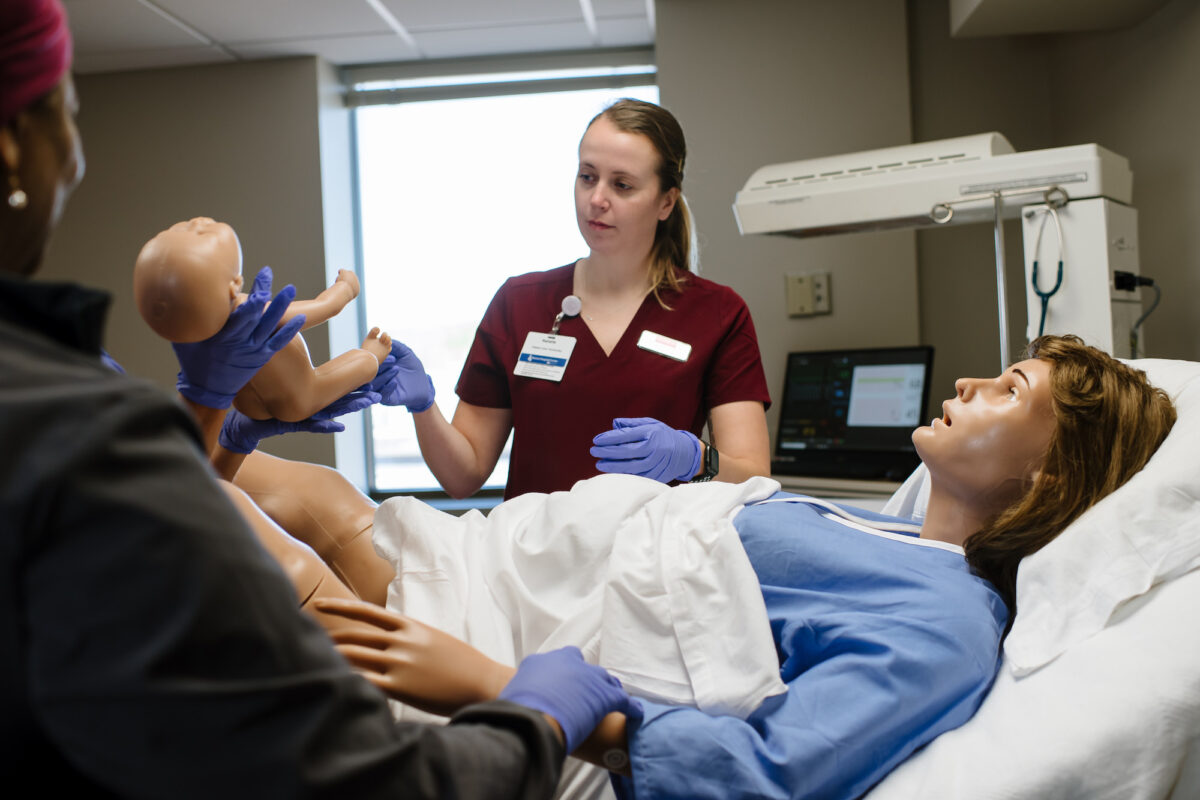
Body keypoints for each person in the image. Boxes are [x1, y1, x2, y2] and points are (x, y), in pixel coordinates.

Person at [0, 0, 639, 795]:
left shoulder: (57, 390)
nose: (77, 154)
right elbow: (369, 777)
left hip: (438, 560)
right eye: (69, 108)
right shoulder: (60, 425)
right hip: (388, 625)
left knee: (344, 504)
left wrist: (228, 428)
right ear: (13, 145)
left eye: (622, 181)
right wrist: (537, 718)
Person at [232, 335, 1175, 799]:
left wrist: (502, 687)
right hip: (487, 555)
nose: (970, 383)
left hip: (494, 634)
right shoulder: (882, 534)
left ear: (1049, 474)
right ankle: (207, 412)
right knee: (291, 488)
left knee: (210, 517)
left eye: (1009, 390)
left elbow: (770, 774)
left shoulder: (949, 623)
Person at [381, 98, 772, 499]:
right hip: (534, 555)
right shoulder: (519, 304)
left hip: (658, 555)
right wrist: (424, 408)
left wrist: (696, 459)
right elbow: (463, 476)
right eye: (587, 177)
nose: (597, 198)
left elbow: (755, 478)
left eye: (622, 185)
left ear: (666, 202)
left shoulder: (717, 313)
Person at [134, 216, 393, 423]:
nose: (196, 223)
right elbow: (322, 308)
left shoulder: (195, 337)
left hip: (247, 405)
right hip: (300, 396)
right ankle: (372, 356)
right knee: (366, 363)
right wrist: (346, 289)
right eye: (202, 233)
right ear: (234, 284)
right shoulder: (250, 312)